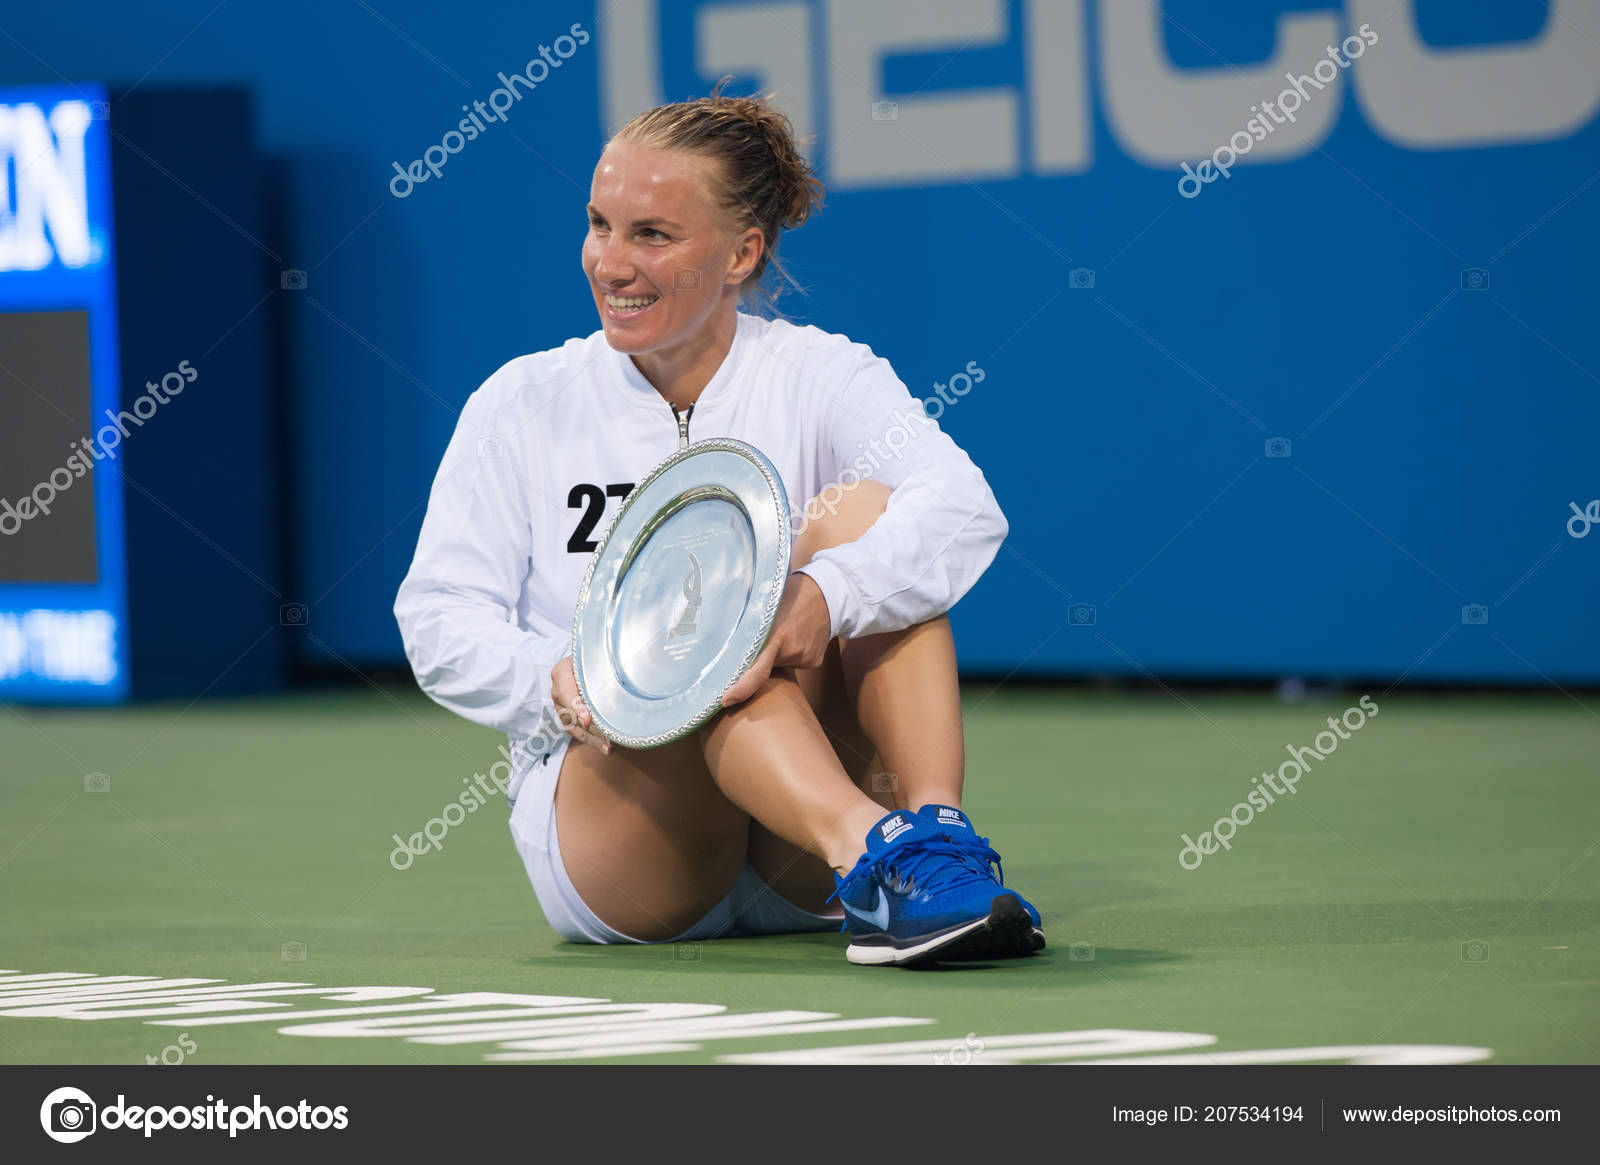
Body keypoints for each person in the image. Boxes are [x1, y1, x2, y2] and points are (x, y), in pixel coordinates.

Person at [394, 82, 1044, 967]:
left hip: (794, 858)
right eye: (599, 224)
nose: (610, 263)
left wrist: (826, 595)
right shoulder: (521, 402)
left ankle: (937, 843)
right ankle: (878, 856)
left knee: (865, 515)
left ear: (743, 253)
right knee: (681, 620)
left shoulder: (820, 372)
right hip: (626, 836)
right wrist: (557, 677)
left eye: (652, 235)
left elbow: (964, 506)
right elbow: (436, 616)